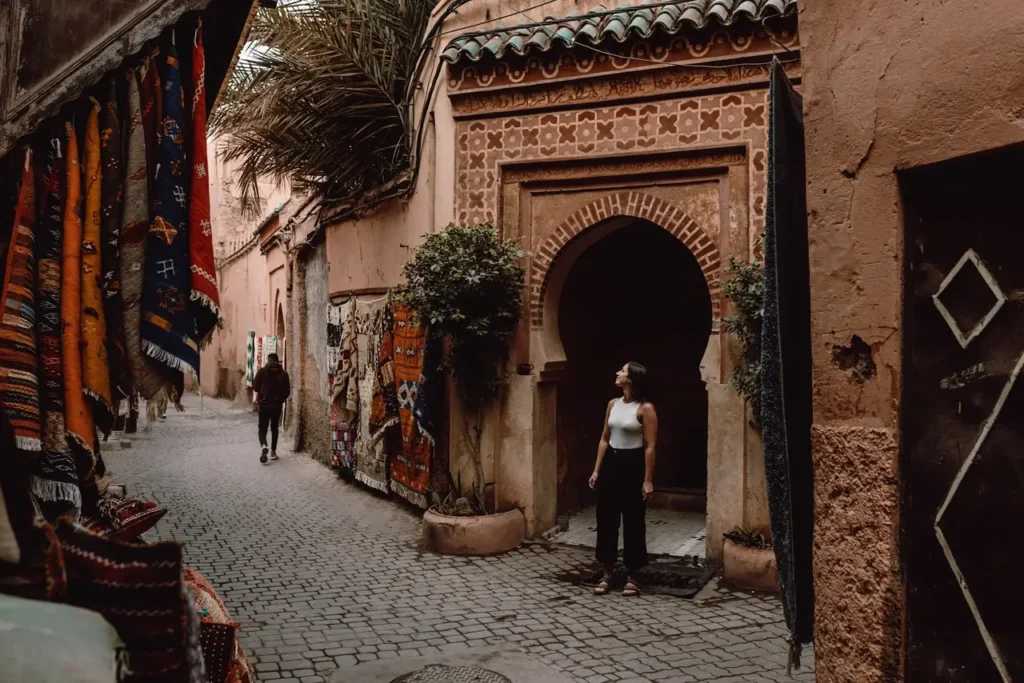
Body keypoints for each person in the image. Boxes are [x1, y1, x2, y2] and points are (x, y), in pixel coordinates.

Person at [588, 361, 658, 597]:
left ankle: (633, 575)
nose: (618, 373)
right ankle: (607, 573)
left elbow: (650, 447)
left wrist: (647, 479)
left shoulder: (645, 408)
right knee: (606, 519)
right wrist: (597, 470)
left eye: (623, 371)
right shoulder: (612, 404)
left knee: (634, 521)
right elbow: (604, 438)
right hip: (612, 463)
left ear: (631, 379)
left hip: (633, 465)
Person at [251, 352, 290, 464]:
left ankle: (263, 446)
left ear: (268, 360)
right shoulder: (284, 374)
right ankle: (273, 452)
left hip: (263, 405)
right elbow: (287, 391)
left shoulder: (262, 372)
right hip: (277, 405)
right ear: (278, 361)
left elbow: (255, 387)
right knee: (274, 428)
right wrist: (280, 398)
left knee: (262, 428)